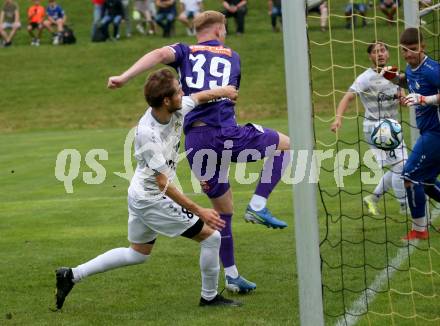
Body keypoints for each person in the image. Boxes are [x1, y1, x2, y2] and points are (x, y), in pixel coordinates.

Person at [107, 11, 291, 294]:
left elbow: (157, 54)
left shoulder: (185, 50)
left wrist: (125, 76)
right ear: (219, 30)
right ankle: (257, 205)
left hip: (196, 142)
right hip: (224, 132)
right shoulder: (232, 55)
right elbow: (231, 93)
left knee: (222, 212)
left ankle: (231, 276)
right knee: (284, 145)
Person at [55, 68, 242, 310]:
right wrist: (200, 211)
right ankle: (209, 298)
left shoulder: (175, 107)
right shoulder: (146, 134)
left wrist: (224, 92)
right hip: (152, 198)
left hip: (140, 193)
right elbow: (163, 184)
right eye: (178, 90)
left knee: (138, 253)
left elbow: (200, 97)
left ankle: (70, 275)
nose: (183, 92)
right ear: (166, 100)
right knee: (211, 236)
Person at [331, 41, 408, 216]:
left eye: (382, 50)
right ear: (370, 57)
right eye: (375, 52)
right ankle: (405, 206)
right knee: (401, 166)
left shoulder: (395, 74)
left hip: (392, 127)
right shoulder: (365, 78)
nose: (380, 54)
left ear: (388, 53)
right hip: (375, 128)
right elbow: (347, 98)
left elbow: (402, 99)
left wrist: (402, 98)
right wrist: (338, 119)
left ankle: (373, 198)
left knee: (400, 166)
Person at [382, 28, 440, 240]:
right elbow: (413, 82)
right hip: (429, 131)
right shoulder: (412, 67)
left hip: (436, 133)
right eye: (404, 50)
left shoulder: (433, 69)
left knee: (409, 176)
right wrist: (395, 78)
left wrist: (425, 100)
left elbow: (426, 91)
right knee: (427, 182)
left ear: (423, 47)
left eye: (413, 49)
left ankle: (419, 230)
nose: (408, 54)